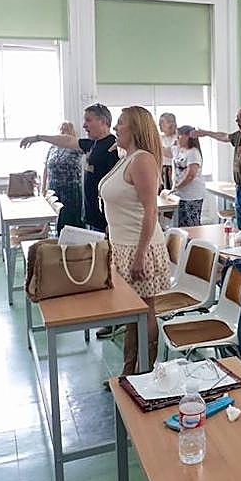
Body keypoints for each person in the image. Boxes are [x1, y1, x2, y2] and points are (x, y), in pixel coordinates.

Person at [99, 106, 173, 376]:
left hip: (139, 248)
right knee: (132, 314)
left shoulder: (142, 160)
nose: (115, 128)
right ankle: (130, 371)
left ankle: (143, 371)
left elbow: (151, 211)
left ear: (135, 130)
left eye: (120, 124)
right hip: (122, 246)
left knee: (143, 311)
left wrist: (141, 255)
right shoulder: (125, 158)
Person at [21, 103, 118, 233]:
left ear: (103, 121)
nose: (84, 125)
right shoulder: (93, 144)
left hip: (106, 221)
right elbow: (67, 141)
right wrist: (38, 138)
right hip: (93, 218)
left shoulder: (113, 147)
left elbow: (116, 187)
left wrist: (111, 222)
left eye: (88, 120)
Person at [191, 107, 241, 230]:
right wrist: (206, 133)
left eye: (240, 118)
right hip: (240, 188)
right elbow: (225, 136)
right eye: (236, 119)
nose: (237, 122)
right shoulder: (239, 135)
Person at [42, 122, 84, 234]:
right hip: (53, 189)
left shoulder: (76, 146)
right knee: (56, 221)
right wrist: (43, 189)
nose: (63, 131)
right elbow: (45, 168)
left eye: (66, 129)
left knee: (70, 222)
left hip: (71, 190)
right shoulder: (52, 148)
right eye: (61, 129)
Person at [169, 125, 205, 227]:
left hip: (191, 195)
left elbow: (190, 175)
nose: (177, 139)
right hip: (180, 194)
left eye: (179, 136)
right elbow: (165, 151)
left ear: (187, 136)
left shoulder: (193, 152)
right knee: (182, 225)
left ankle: (194, 243)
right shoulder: (179, 150)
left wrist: (176, 187)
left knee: (191, 225)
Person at [158, 112, 177, 192]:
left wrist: (157, 147)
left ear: (171, 123)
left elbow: (171, 154)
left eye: (162, 122)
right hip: (161, 170)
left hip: (173, 170)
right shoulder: (160, 138)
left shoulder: (178, 137)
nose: (159, 125)